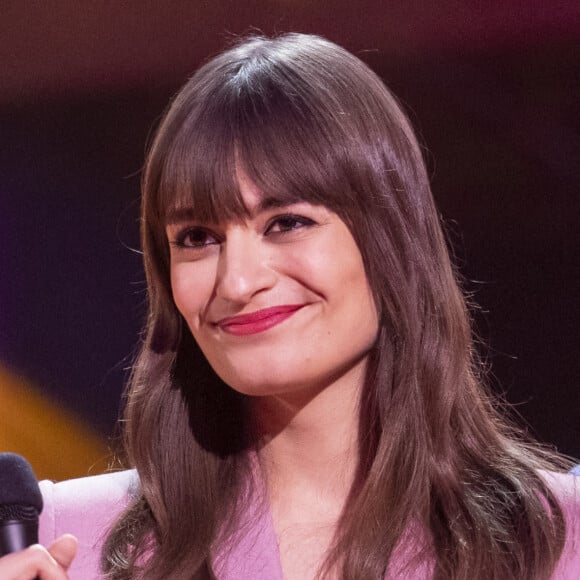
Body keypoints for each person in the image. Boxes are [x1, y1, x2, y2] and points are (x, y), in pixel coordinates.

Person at [1, 33, 579, 579]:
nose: (238, 280)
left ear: (391, 239)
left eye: (287, 223)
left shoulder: (556, 537)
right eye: (198, 237)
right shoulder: (62, 541)